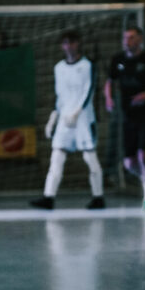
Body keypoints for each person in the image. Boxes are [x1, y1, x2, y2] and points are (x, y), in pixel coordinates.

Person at [31, 30, 106, 210]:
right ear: (61, 46)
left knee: (89, 156)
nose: (69, 46)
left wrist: (77, 112)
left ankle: (98, 197)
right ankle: (48, 197)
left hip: (83, 119)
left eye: (72, 42)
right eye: (65, 43)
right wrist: (53, 117)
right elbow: (60, 95)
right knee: (57, 156)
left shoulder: (87, 65)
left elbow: (89, 91)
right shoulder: (59, 68)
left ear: (78, 43)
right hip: (64, 119)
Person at [104, 26, 145, 212]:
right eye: (125, 38)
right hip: (128, 116)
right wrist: (109, 98)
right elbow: (109, 82)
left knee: (144, 154)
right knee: (129, 163)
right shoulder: (118, 60)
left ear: (140, 39)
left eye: (132, 37)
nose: (127, 41)